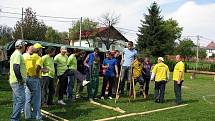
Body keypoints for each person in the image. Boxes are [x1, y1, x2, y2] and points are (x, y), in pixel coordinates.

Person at [24, 43, 43, 120]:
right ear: (38, 50)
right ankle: (37, 117)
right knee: (37, 99)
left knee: (27, 98)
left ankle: (27, 116)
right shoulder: (38, 57)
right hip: (34, 79)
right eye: (41, 49)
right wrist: (36, 74)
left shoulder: (24, 56)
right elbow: (38, 67)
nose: (42, 50)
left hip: (26, 78)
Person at [9, 39, 27, 121]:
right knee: (21, 101)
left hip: (14, 81)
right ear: (21, 46)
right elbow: (16, 67)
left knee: (17, 101)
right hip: (17, 82)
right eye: (24, 45)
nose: (25, 47)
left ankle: (16, 118)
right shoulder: (17, 55)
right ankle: (14, 119)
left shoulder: (16, 54)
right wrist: (20, 80)